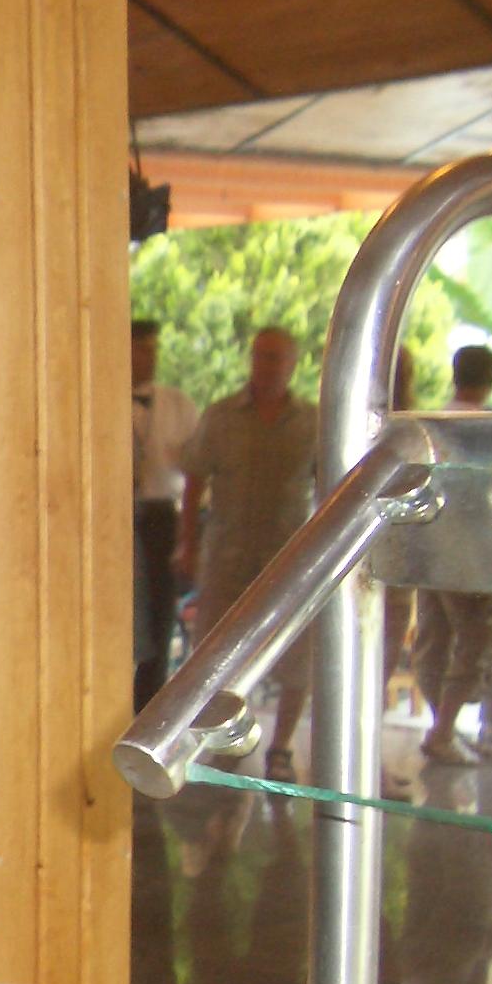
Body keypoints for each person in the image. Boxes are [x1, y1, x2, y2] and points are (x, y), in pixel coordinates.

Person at [176, 326, 318, 782]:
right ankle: (225, 739)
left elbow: (334, 483)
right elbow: (195, 479)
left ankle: (281, 747)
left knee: (297, 654)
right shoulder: (220, 416)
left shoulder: (314, 422)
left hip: (288, 558)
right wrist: (189, 545)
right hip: (228, 554)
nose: (266, 365)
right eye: (259, 356)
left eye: (276, 358)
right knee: (216, 654)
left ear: (293, 364)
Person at [414, 344, 492, 767]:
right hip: (468, 550)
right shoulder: (491, 429)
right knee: (482, 634)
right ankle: (443, 729)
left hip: (426, 546)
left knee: (435, 638)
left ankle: (443, 727)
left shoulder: (428, 425)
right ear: (491, 379)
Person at [130, 320, 198, 711]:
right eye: (141, 349)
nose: (149, 357)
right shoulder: (93, 395)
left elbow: (195, 472)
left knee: (159, 614)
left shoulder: (178, 404)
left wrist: (188, 540)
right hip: (110, 519)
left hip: (159, 516)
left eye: (154, 349)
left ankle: (150, 707)